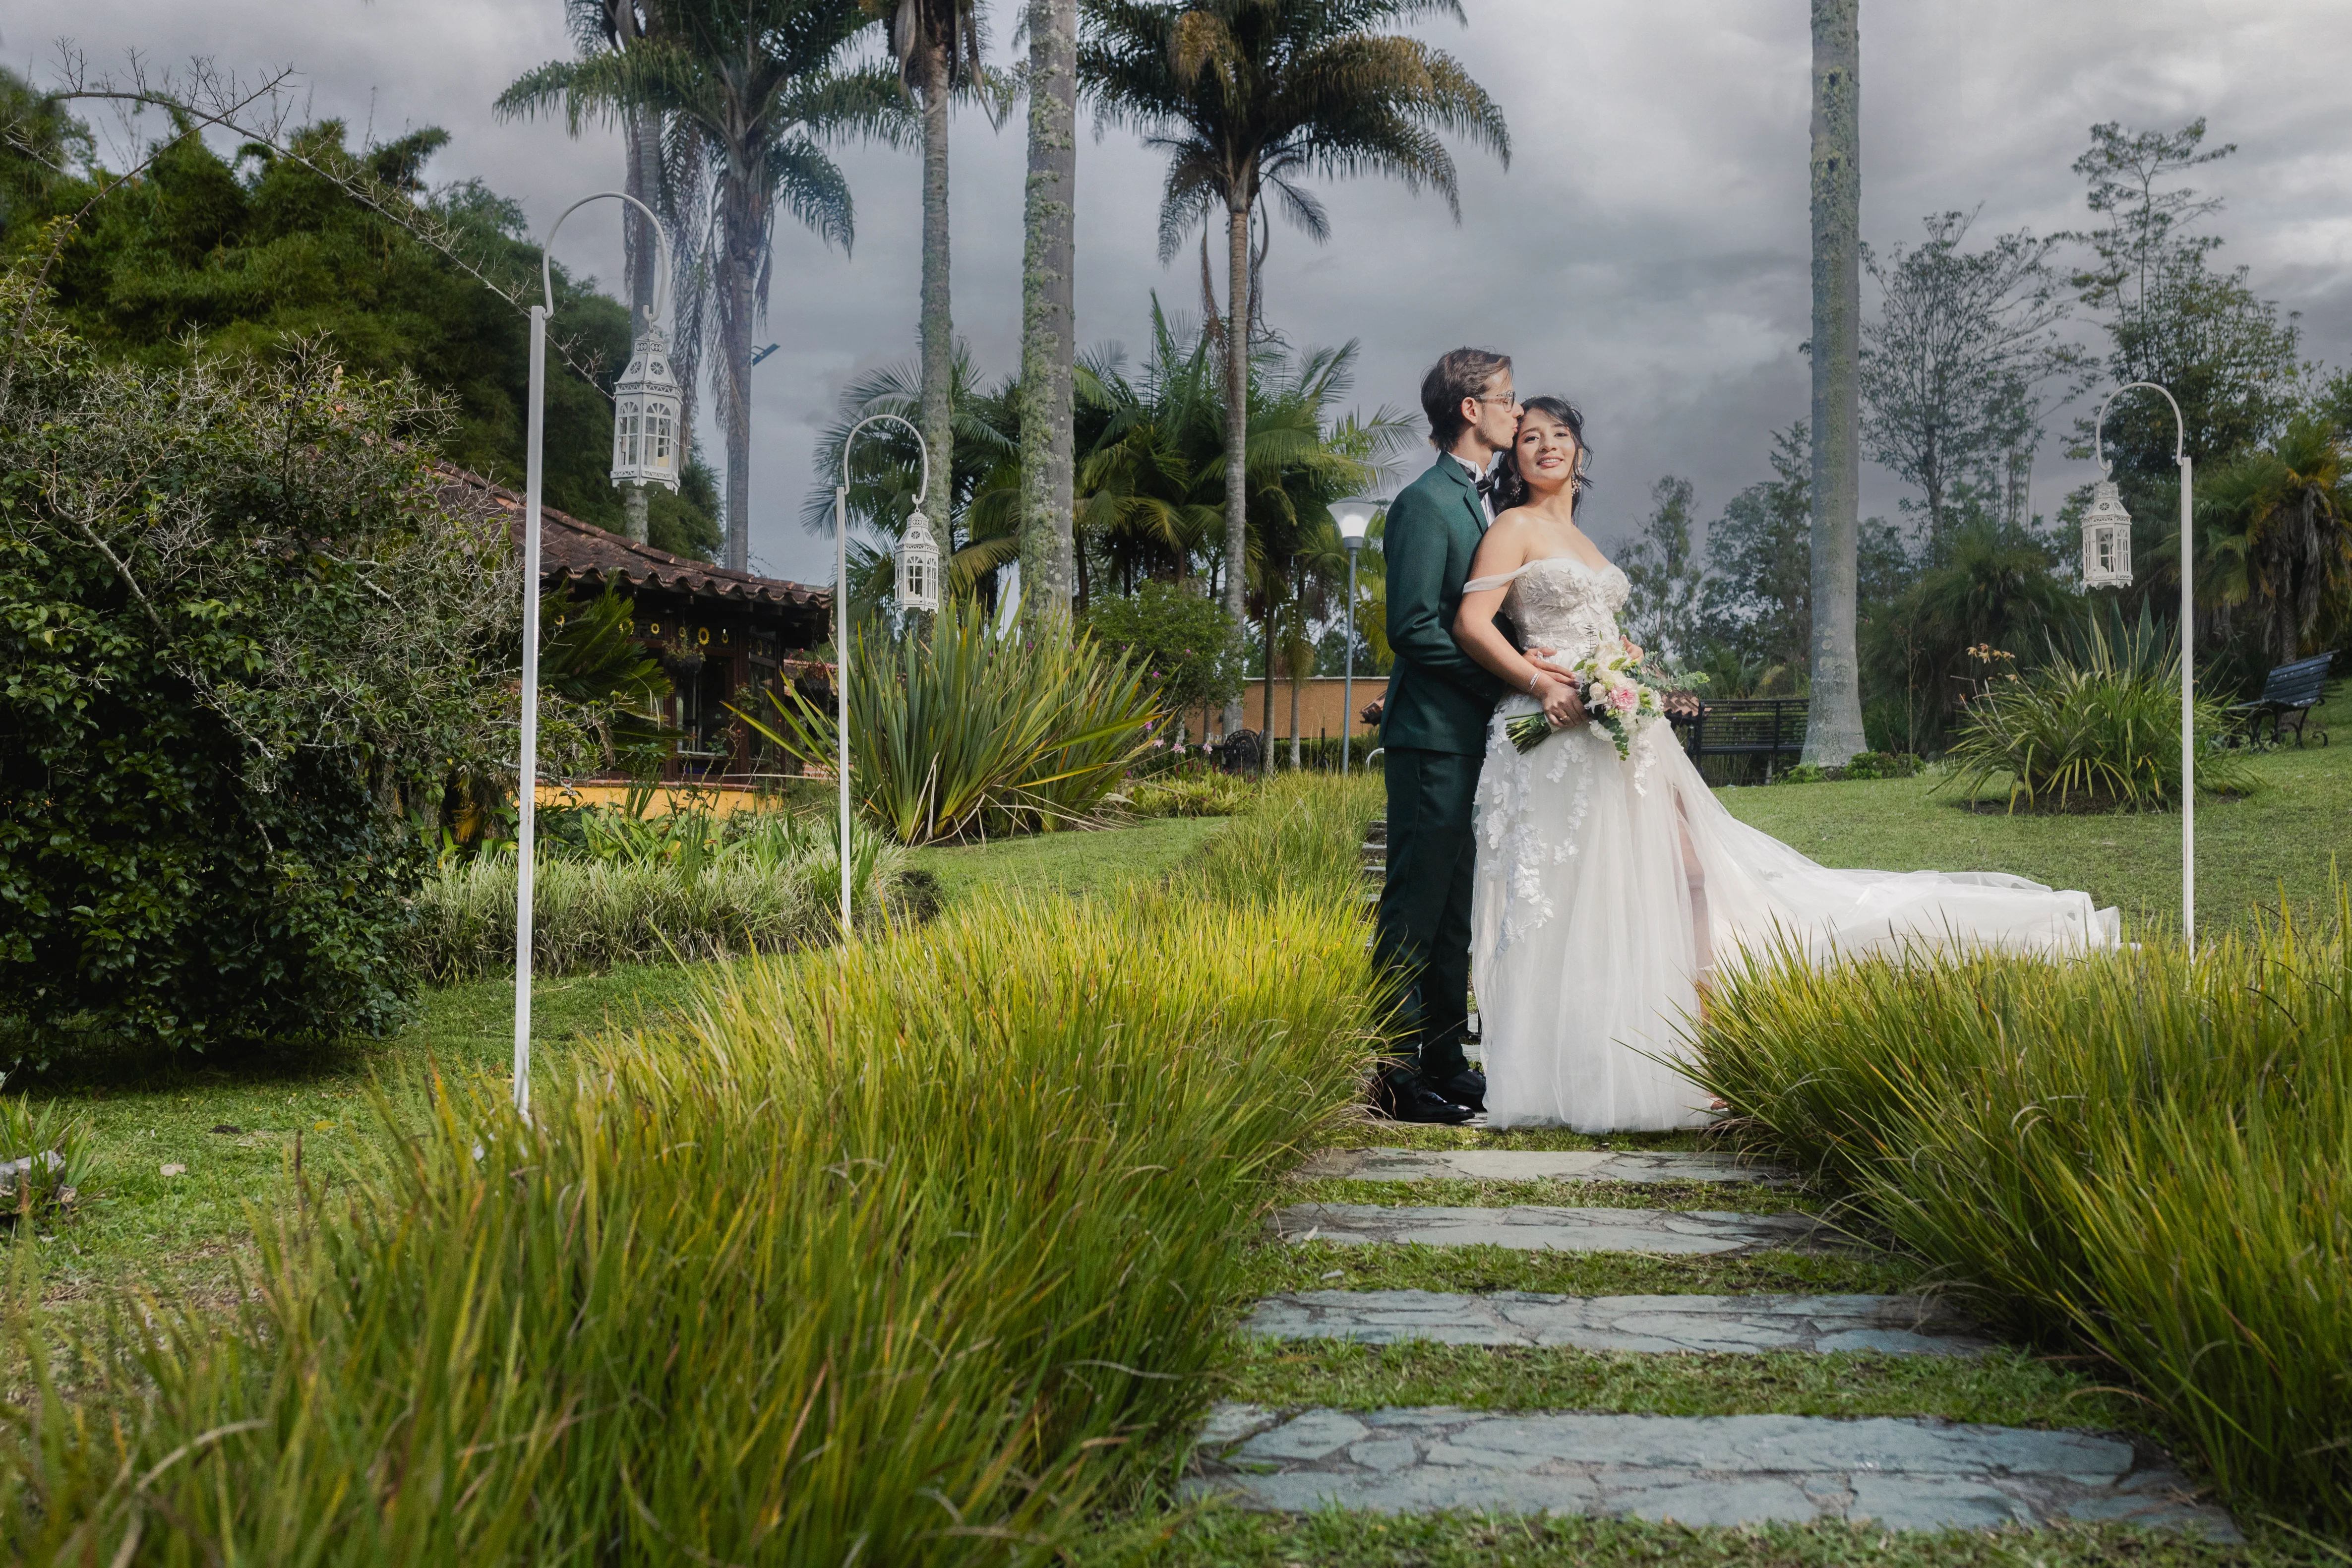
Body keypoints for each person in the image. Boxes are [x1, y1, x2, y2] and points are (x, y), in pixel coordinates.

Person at [1452, 397, 2121, 1131]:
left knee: (1689, 877)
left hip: (1618, 728)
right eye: (1529, 438)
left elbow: (1596, 629)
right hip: (1556, 739)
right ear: (1512, 458)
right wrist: (1540, 679)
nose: (1546, 445)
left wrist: (1626, 674)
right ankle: (1605, 1066)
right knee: (1585, 895)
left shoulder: (1574, 533)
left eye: (1560, 434)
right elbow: (1472, 624)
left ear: (1581, 449)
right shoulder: (1513, 528)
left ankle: (1690, 1046)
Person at [1371, 349, 1553, 1124]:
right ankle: (1390, 1066)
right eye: (1507, 400)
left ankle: (1444, 1057)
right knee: (1415, 901)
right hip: (1429, 738)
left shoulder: (1481, 500)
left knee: (1453, 906)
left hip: (1471, 739)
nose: (1519, 413)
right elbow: (1412, 627)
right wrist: (1511, 675)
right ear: (1469, 409)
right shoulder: (1423, 503)